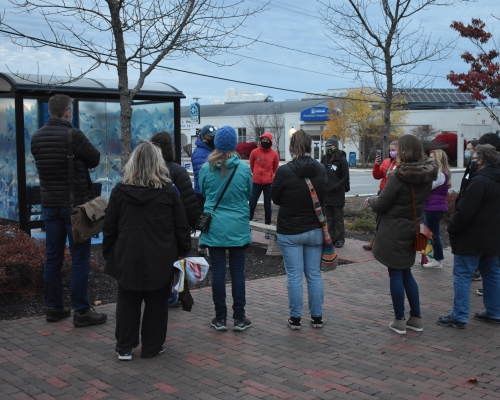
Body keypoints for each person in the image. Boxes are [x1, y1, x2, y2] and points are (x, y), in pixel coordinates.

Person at [102, 142, 191, 360]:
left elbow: (110, 227)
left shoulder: (119, 192)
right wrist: (183, 252)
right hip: (161, 255)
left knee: (127, 301)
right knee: (157, 302)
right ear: (158, 163)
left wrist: (110, 253)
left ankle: (124, 346)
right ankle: (152, 346)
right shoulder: (169, 193)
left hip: (127, 254)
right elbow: (181, 226)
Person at [31, 94, 107, 327]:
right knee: (80, 259)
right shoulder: (73, 135)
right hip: (74, 207)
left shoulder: (37, 137)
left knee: (52, 258)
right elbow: (94, 159)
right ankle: (81, 311)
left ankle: (54, 308)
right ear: (67, 112)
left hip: (50, 206)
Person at [366, 135, 437, 334]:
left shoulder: (398, 175)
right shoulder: (427, 175)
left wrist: (371, 200)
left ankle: (399, 321)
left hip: (393, 229)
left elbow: (381, 204)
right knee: (406, 271)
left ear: (404, 151)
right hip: (414, 227)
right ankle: (416, 318)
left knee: (396, 273)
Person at [436, 144, 500, 328]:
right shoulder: (494, 179)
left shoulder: (479, 182)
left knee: (462, 275)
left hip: (472, 237)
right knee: (492, 273)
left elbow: (465, 211)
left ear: (480, 161)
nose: (470, 160)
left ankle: (459, 316)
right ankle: (495, 312)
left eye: (472, 157)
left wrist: (453, 228)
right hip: (493, 237)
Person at [198, 126, 253, 332]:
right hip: (238, 225)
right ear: (234, 145)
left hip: (215, 225)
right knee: (238, 272)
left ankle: (220, 318)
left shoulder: (206, 168)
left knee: (219, 272)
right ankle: (239, 318)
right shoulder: (244, 169)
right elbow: (248, 193)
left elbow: (203, 191)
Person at [272, 129, 327, 330]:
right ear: (311, 147)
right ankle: (317, 317)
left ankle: (295, 318)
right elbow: (324, 194)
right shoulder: (321, 169)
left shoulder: (284, 171)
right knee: (313, 274)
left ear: (292, 148)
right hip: (315, 228)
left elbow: (275, 197)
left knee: (294, 275)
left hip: (290, 229)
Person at [151, 131, 201, 308]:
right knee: (179, 260)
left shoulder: (148, 170)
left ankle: (160, 293)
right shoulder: (178, 171)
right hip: (176, 225)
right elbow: (188, 201)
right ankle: (176, 294)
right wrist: (194, 221)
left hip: (155, 226)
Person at [363, 141, 399, 251]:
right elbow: (377, 176)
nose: (391, 152)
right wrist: (376, 165)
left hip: (394, 195)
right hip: (383, 192)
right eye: (390, 150)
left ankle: (386, 243)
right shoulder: (387, 162)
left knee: (389, 220)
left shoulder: (401, 164)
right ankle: (375, 241)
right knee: (379, 219)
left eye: (393, 150)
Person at [422, 149, 451, 269]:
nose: (429, 159)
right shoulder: (441, 174)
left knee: (433, 234)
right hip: (433, 206)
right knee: (432, 233)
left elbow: (426, 186)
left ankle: (437, 260)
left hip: (433, 207)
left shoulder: (439, 175)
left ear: (438, 159)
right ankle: (433, 258)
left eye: (432, 157)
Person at [191, 125, 218, 254]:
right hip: (203, 193)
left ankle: (203, 245)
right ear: (203, 137)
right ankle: (204, 246)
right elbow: (201, 175)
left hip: (207, 193)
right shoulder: (200, 153)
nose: (214, 139)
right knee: (206, 221)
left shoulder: (210, 151)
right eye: (211, 137)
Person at [249, 132, 280, 239]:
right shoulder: (254, 152)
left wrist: (269, 176)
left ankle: (267, 228)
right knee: (252, 204)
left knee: (268, 206)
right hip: (256, 183)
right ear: (261, 140)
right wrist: (256, 175)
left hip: (268, 183)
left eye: (267, 140)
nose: (265, 142)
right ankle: (248, 227)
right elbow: (252, 166)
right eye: (263, 140)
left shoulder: (274, 154)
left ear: (271, 142)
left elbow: (275, 168)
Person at [321, 137, 349, 248]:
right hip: (327, 193)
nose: (328, 148)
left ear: (336, 147)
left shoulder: (341, 160)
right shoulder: (324, 159)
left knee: (338, 217)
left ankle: (339, 239)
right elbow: (320, 172)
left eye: (330, 146)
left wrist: (336, 186)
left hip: (337, 193)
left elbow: (345, 177)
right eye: (326, 146)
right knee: (329, 218)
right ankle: (331, 237)